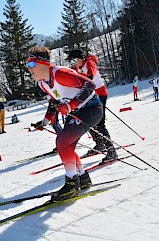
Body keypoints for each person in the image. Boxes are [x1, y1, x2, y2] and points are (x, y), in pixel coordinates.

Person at [27, 46, 103, 201]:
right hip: (77, 112)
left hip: (91, 109)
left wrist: (71, 105)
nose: (29, 69)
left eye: (31, 64)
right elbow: (54, 101)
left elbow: (90, 85)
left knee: (62, 142)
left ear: (43, 63)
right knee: (67, 145)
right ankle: (82, 177)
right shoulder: (42, 83)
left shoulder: (60, 73)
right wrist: (45, 121)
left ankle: (71, 183)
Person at [66, 48, 117, 163]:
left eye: (73, 61)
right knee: (88, 121)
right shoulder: (76, 67)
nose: (72, 64)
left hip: (100, 94)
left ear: (79, 58)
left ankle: (111, 151)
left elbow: (90, 79)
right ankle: (99, 144)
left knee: (100, 123)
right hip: (89, 96)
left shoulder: (89, 63)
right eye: (71, 62)